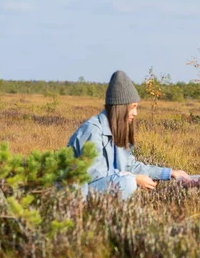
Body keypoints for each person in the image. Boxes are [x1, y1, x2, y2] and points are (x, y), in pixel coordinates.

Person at [68, 70, 189, 199]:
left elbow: (130, 166)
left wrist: (168, 173)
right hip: (78, 194)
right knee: (128, 183)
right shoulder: (93, 131)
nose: (135, 113)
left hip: (99, 191)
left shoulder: (118, 131)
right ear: (120, 107)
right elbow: (93, 175)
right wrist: (134, 179)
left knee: (128, 182)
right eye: (133, 107)